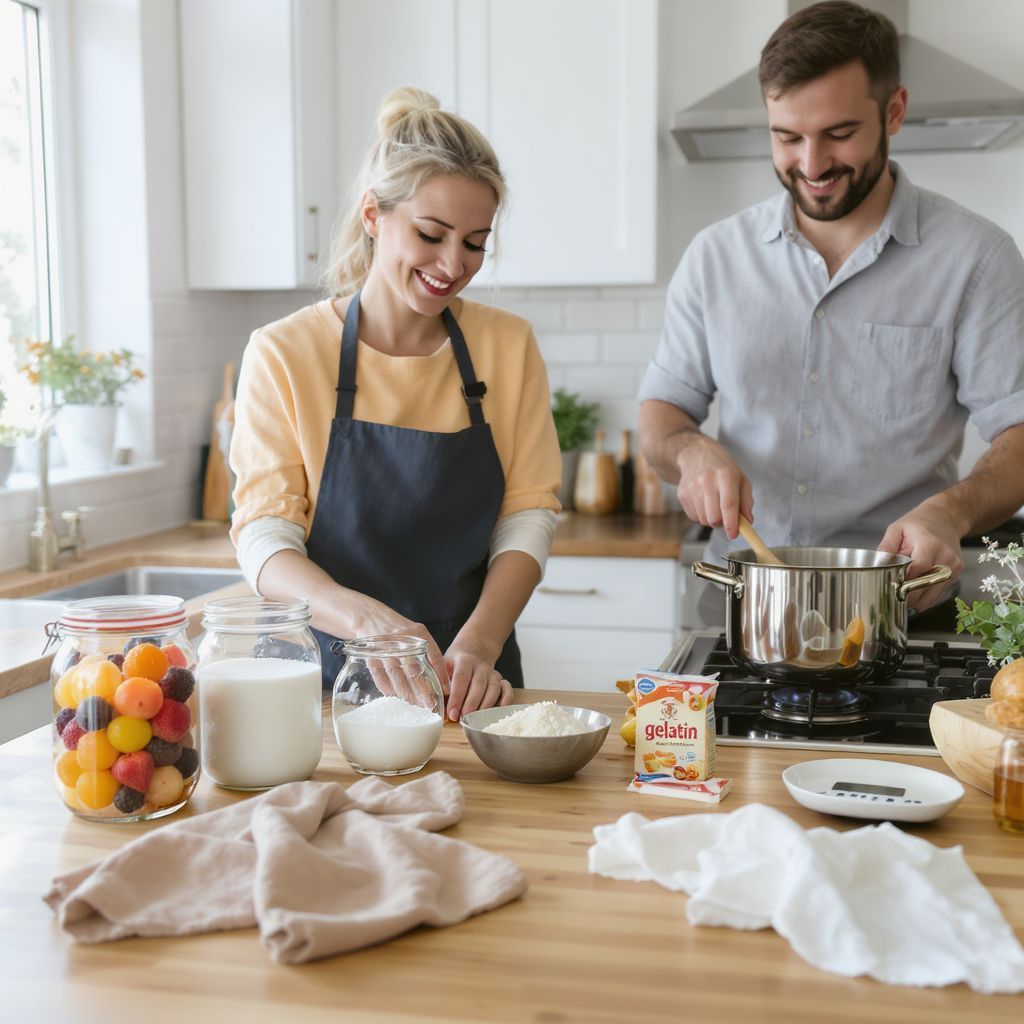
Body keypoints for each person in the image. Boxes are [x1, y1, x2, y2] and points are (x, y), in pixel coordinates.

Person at [638, 0, 1024, 620]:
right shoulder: (715, 256)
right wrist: (691, 452)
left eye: (839, 134)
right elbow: (660, 418)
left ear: (893, 112)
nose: (811, 166)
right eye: (787, 137)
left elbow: (1018, 431)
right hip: (745, 608)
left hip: (900, 610)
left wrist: (951, 511)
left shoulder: (977, 258)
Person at [230, 87, 562, 719]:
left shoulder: (507, 345)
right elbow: (265, 537)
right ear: (373, 216)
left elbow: (528, 514)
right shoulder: (283, 352)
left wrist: (481, 642)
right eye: (431, 234)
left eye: (474, 242)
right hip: (317, 684)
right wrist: (366, 622)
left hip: (466, 680)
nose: (452, 264)